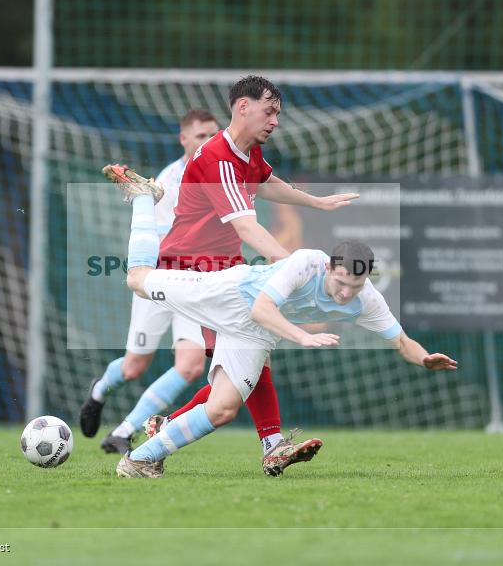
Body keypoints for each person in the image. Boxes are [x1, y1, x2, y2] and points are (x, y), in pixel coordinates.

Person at [81, 75, 359, 476]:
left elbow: (267, 182)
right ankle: (263, 443)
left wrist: (316, 202)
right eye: (270, 110)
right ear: (242, 107)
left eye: (278, 113)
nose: (275, 120)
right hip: (193, 270)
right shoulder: (218, 159)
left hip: (224, 270)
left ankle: (241, 439)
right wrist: (299, 268)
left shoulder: (247, 155)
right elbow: (248, 228)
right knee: (235, 351)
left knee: (245, 358)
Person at [100, 167, 458, 478]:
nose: (347, 292)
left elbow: (401, 340)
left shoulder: (366, 299)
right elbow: (262, 308)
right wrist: (302, 336)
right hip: (229, 294)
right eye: (342, 282)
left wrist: (424, 358)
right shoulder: (305, 262)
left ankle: (141, 460)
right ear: (329, 267)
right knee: (137, 280)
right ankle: (144, 197)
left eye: (356, 285)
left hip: (254, 331)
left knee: (223, 409)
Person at [79, 109, 219, 454]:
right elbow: (156, 238)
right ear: (183, 139)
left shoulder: (221, 175)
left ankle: (124, 431)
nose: (208, 143)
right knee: (133, 367)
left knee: (189, 367)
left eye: (213, 136)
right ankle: (99, 391)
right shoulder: (169, 181)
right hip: (156, 281)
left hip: (193, 285)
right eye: (201, 136)